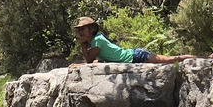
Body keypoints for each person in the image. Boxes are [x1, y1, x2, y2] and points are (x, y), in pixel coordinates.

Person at [72, 16, 203, 64]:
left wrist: (83, 45)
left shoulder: (97, 40)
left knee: (171, 59)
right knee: (170, 59)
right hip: (133, 55)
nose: (81, 32)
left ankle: (207, 58)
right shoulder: (96, 40)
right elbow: (92, 60)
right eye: (79, 30)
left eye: (83, 29)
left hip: (135, 56)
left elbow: (89, 60)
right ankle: (206, 57)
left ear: (91, 29)